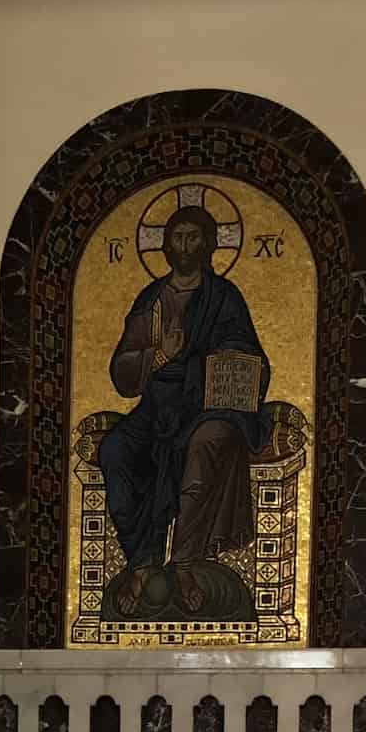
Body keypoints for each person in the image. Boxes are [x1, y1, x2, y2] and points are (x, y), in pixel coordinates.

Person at [96, 203, 270, 619]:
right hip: (157, 406)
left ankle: (187, 563)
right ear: (166, 246)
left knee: (207, 441)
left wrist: (226, 363)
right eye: (178, 237)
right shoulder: (152, 300)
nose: (186, 246)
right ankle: (141, 564)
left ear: (210, 245)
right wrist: (159, 355)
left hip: (207, 404)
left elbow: (248, 354)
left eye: (194, 237)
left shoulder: (223, 297)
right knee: (115, 450)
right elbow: (122, 374)